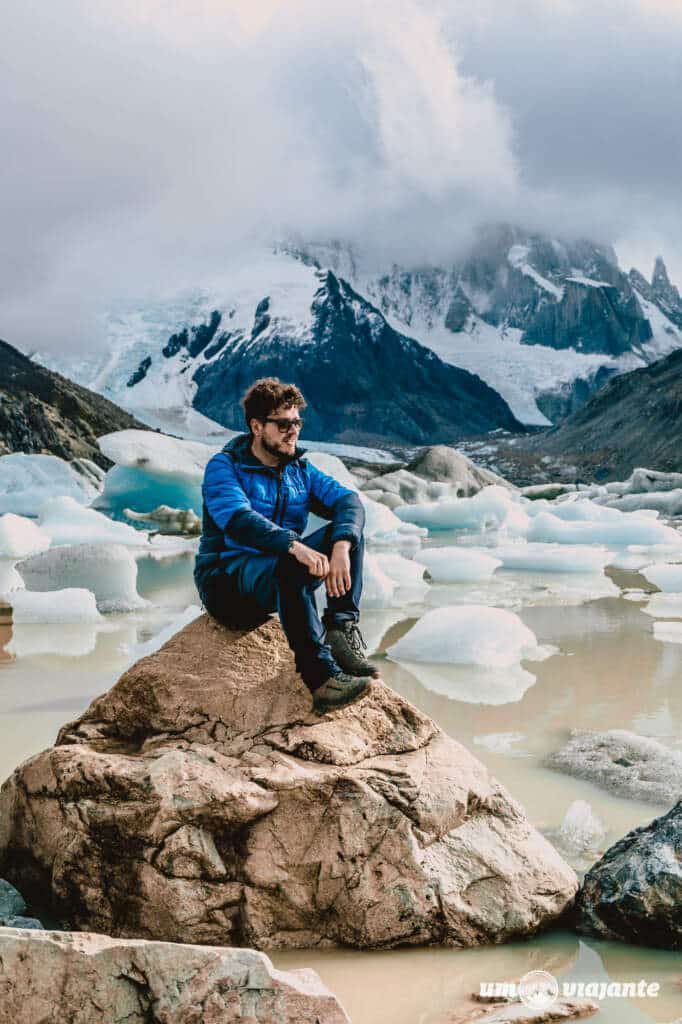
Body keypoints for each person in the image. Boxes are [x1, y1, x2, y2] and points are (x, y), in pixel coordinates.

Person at [194, 377, 379, 714]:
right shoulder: (225, 467)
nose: (292, 431)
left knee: (349, 533)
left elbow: (348, 502)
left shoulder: (299, 470)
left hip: (275, 572)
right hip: (226, 582)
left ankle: (340, 630)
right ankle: (322, 680)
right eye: (282, 424)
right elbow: (238, 519)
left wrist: (340, 546)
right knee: (291, 564)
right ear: (256, 426)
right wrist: (294, 545)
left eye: (297, 422)